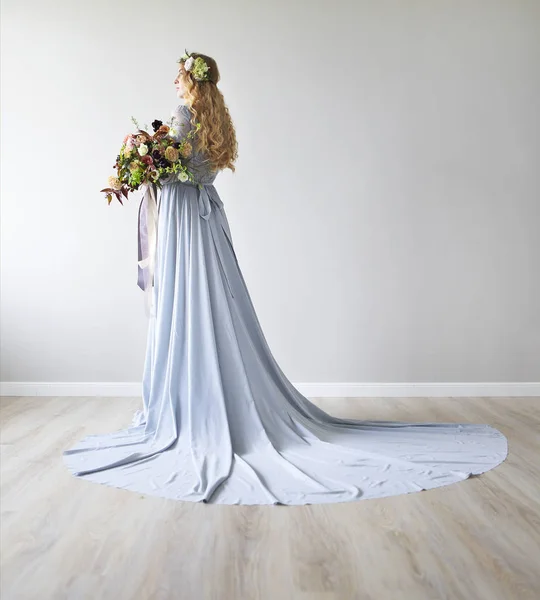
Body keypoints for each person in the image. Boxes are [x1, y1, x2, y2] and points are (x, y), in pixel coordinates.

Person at [63, 51, 508, 505]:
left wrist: (142, 160)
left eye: (178, 78)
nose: (175, 85)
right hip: (206, 219)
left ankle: (194, 403)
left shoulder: (182, 114)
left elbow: (172, 163)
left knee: (186, 300)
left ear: (190, 82)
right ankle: (221, 388)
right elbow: (200, 168)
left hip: (183, 217)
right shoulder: (218, 119)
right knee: (216, 301)